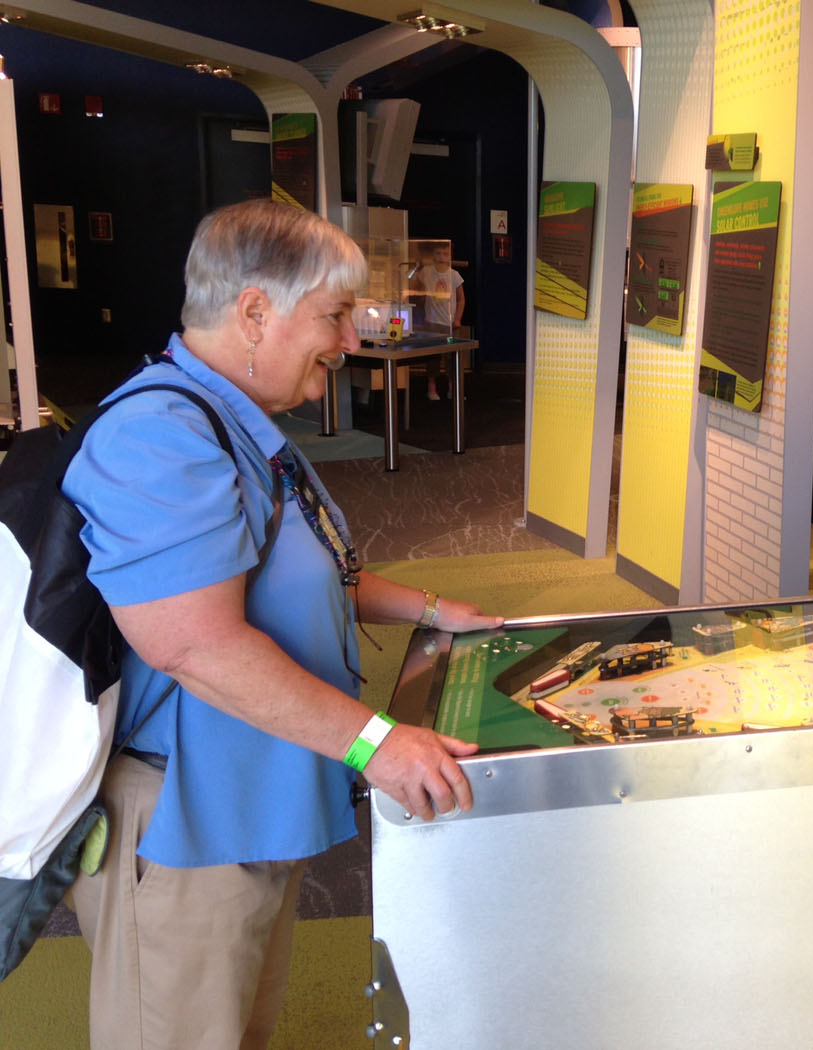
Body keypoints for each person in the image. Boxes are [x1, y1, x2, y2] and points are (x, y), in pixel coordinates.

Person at [60, 199, 502, 1050]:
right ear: (255, 311)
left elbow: (314, 568)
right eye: (334, 317)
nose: (347, 343)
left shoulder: (239, 421)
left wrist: (438, 612)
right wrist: (377, 742)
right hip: (184, 823)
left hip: (251, 795)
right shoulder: (159, 436)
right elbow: (196, 644)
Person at [412, 241, 464, 400]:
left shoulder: (454, 275)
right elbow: (414, 288)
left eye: (445, 254)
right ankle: (431, 386)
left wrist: (457, 319)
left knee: (451, 357)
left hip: (449, 324)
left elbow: (461, 299)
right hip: (432, 323)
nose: (441, 257)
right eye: (438, 253)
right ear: (433, 255)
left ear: (450, 256)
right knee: (433, 358)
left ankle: (452, 387)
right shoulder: (427, 272)